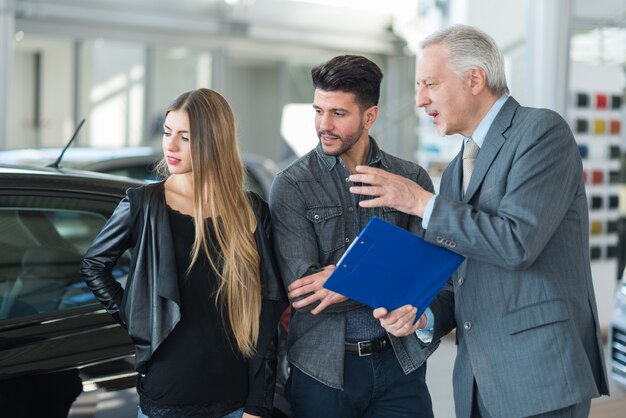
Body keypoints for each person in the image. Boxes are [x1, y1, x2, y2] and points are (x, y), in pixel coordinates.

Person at [349, 24, 610, 418]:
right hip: (477, 382)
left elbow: (516, 242)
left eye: (430, 84)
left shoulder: (541, 132)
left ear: (474, 79)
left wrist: (421, 203)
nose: (420, 100)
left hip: (538, 377)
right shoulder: (457, 169)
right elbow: (460, 275)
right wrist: (424, 315)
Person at [80, 88, 287, 418]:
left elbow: (269, 308)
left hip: (235, 396)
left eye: (185, 137)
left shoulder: (249, 210)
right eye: (167, 132)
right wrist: (140, 320)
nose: (170, 145)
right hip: (169, 394)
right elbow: (94, 265)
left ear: (213, 142)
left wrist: (258, 404)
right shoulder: (144, 204)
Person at [269, 54, 436, 418]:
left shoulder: (411, 181)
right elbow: (305, 292)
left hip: (399, 366)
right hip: (323, 372)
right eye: (318, 111)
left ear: (369, 116)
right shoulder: (292, 185)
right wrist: (384, 276)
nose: (323, 125)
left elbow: (424, 275)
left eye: (338, 114)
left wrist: (343, 281)